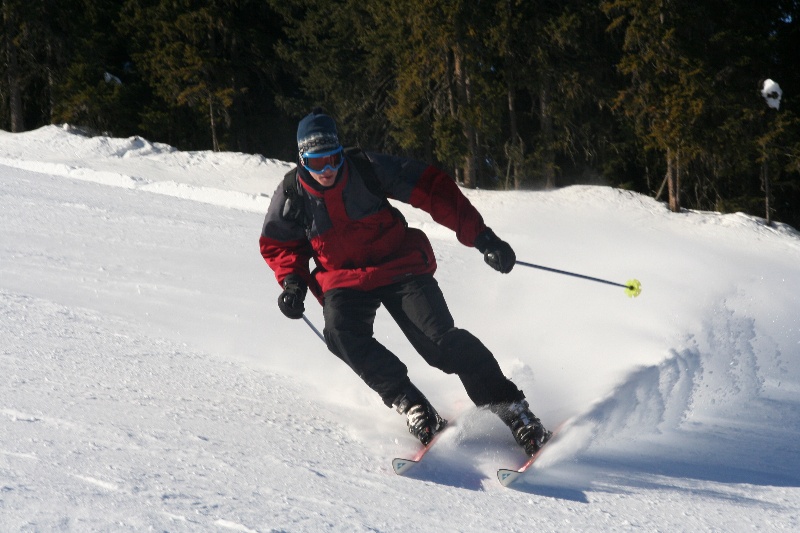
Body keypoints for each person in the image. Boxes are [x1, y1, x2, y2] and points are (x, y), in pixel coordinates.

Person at [259, 108, 551, 455]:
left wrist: (483, 238)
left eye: (333, 160)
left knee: (440, 343)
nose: (327, 171)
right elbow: (279, 244)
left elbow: (433, 189)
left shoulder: (366, 168)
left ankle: (512, 408)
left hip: (399, 264)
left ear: (341, 152)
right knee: (340, 334)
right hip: (344, 278)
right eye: (317, 163)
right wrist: (292, 283)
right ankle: (411, 404)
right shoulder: (292, 194)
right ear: (302, 161)